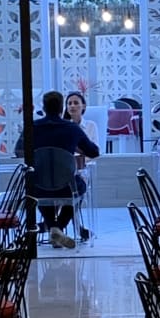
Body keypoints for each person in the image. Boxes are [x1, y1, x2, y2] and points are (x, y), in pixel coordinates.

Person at [15, 90, 99, 249]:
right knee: (80, 186)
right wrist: (76, 147)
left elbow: (18, 151)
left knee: (38, 184)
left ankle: (53, 227)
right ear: (62, 108)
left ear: (44, 108)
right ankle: (58, 227)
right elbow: (94, 152)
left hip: (39, 187)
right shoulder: (72, 128)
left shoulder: (32, 127)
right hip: (67, 187)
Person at [63, 91, 99, 241]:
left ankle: (55, 226)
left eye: (76, 103)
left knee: (77, 187)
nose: (72, 106)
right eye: (69, 103)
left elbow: (94, 152)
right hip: (63, 170)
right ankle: (75, 228)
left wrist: (79, 157)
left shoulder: (90, 126)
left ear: (83, 106)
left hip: (82, 169)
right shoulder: (63, 127)